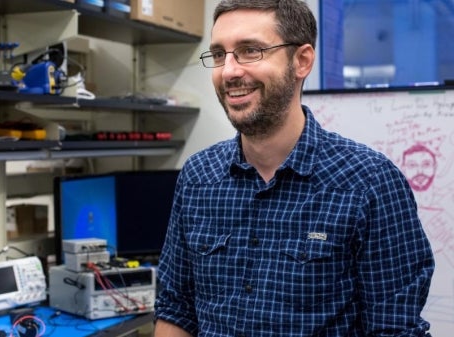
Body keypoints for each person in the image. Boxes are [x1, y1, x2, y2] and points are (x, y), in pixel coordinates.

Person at [153, 0, 435, 336]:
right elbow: (176, 308)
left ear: (301, 61)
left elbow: (394, 329)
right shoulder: (198, 177)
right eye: (218, 55)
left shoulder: (369, 183)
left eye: (250, 51)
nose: (228, 71)